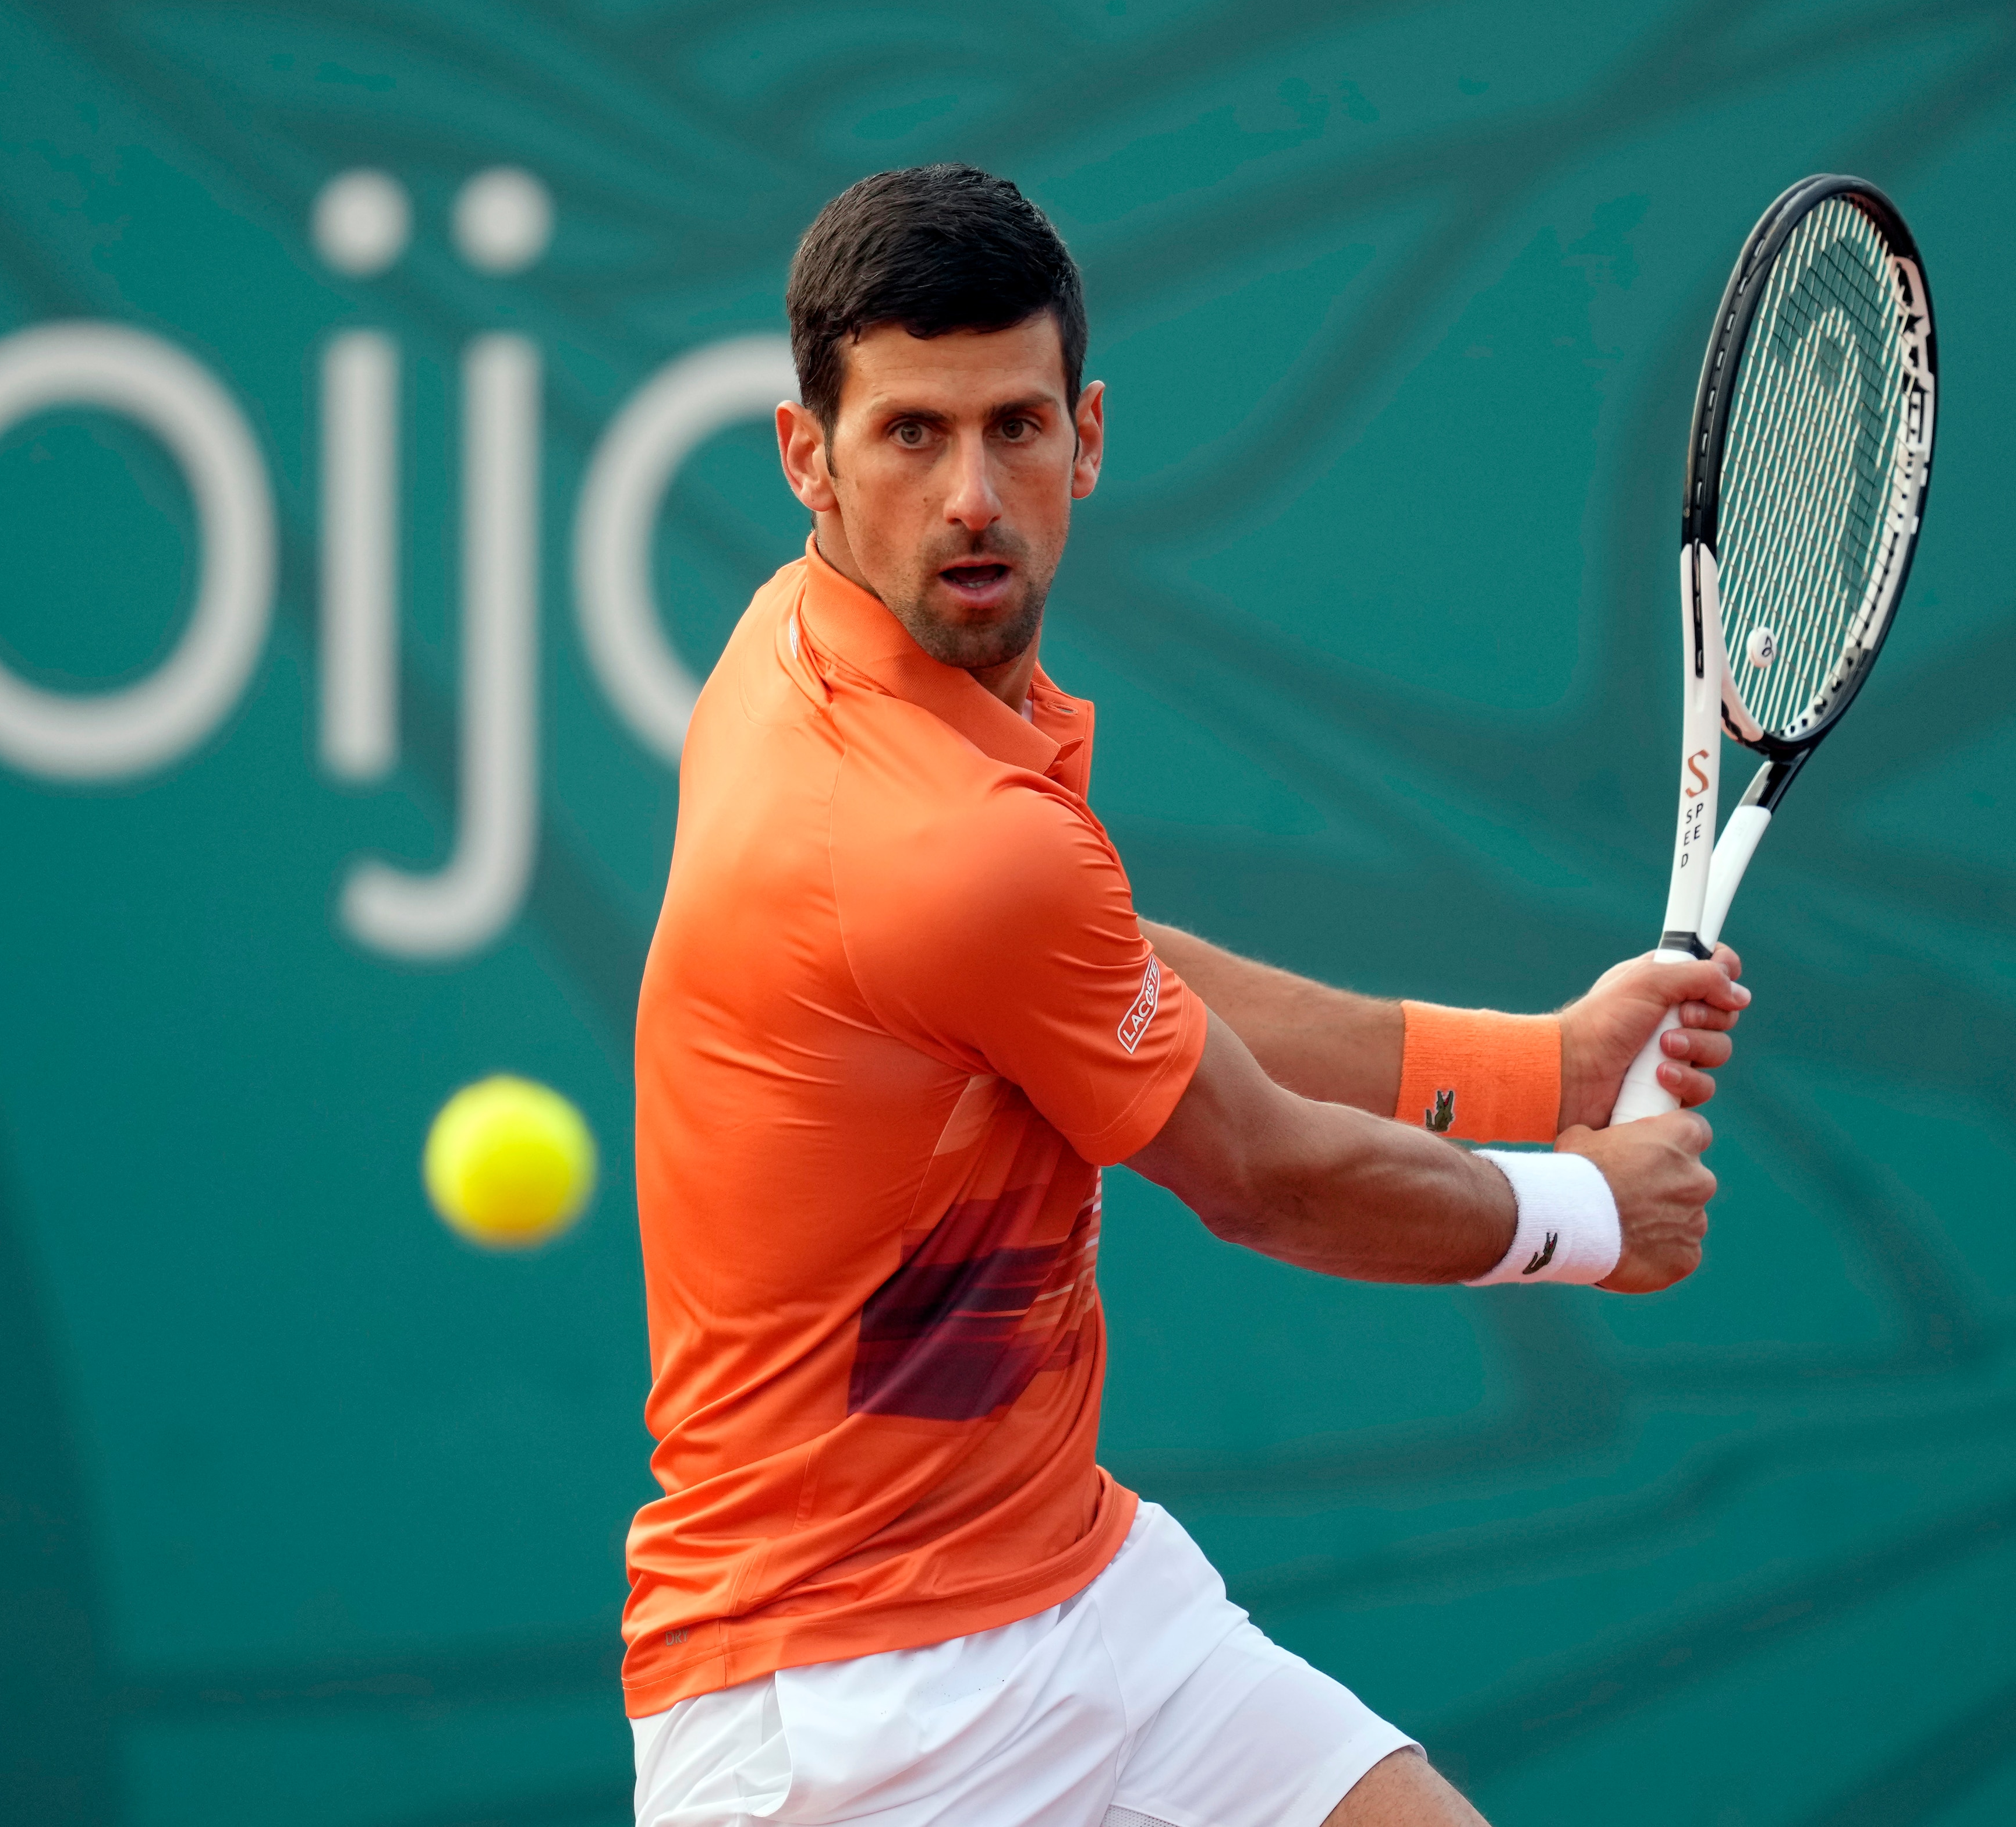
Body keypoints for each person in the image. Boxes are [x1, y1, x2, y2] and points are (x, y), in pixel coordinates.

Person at [624, 164, 1747, 1827]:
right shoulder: (933, 838)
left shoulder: (828, 656)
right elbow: (1264, 1172)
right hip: (836, 1710)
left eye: (1012, 426)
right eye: (910, 436)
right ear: (810, 458)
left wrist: (1543, 1065)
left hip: (1069, 1583)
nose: (972, 496)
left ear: (1089, 433)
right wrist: (1587, 1213)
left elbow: (1106, 968)